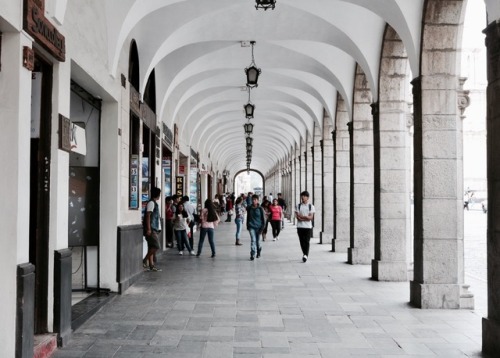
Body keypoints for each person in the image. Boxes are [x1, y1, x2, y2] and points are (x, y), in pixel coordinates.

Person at [143, 187, 162, 271]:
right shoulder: (151, 203)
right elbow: (148, 215)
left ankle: (151, 265)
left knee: (151, 246)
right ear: (158, 194)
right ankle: (144, 260)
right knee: (156, 246)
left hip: (154, 228)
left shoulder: (154, 203)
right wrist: (149, 229)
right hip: (152, 228)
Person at [295, 191, 315, 262]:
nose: (302, 197)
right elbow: (298, 217)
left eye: (304, 196)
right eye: (301, 196)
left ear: (307, 197)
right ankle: (305, 254)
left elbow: (311, 218)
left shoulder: (311, 206)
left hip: (308, 227)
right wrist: (306, 217)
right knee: (301, 241)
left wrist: (303, 217)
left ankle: (305, 255)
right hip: (300, 227)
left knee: (307, 241)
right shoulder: (298, 206)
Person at [246, 194, 266, 261]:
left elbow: (264, 219)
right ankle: (252, 254)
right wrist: (248, 226)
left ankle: (259, 250)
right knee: (253, 240)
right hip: (251, 226)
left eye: (255, 200)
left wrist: (262, 228)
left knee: (258, 241)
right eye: (253, 200)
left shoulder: (260, 209)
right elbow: (248, 216)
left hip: (259, 227)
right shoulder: (249, 208)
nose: (254, 201)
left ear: (257, 200)